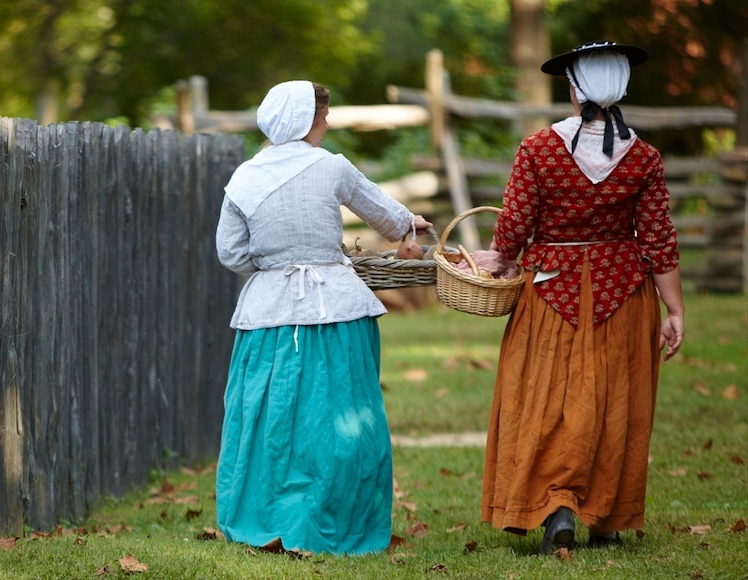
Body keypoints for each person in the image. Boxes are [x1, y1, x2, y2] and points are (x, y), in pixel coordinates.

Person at [480, 40, 685, 555]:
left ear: (574, 91)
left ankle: (559, 507)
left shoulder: (538, 150)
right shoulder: (643, 157)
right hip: (624, 293)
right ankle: (605, 515)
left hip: (552, 292)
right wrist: (676, 309)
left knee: (547, 399)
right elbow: (658, 240)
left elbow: (513, 228)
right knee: (615, 401)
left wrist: (501, 258)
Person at [214, 80, 433, 555]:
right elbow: (384, 213)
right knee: (340, 413)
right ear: (304, 121)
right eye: (322, 117)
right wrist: (409, 228)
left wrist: (274, 269)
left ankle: (267, 513)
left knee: (269, 416)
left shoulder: (245, 177)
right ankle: (335, 511)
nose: (327, 124)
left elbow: (230, 252)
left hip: (268, 315)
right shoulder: (330, 166)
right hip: (336, 307)